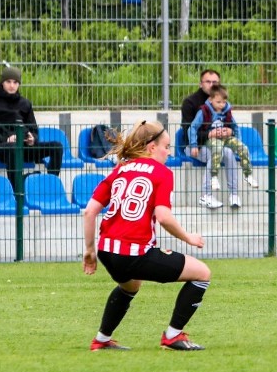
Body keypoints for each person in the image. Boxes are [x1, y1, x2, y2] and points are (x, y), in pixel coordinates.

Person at [83, 120, 210, 352]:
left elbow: (90, 211)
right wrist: (188, 238)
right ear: (152, 147)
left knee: (130, 286)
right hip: (133, 252)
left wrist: (90, 251)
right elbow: (163, 217)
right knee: (202, 273)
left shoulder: (120, 169)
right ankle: (173, 336)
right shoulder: (161, 172)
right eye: (167, 147)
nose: (169, 153)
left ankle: (101, 340)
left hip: (106, 251)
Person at [0, 67, 63, 189]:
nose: (12, 85)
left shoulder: (25, 104)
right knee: (13, 148)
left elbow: (34, 130)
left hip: (23, 146)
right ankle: (17, 188)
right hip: (1, 148)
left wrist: (32, 138)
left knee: (56, 147)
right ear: (2, 82)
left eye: (15, 82)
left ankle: (50, 183)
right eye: (8, 82)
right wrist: (7, 139)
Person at [188, 83, 258, 209]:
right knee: (218, 149)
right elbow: (192, 128)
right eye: (218, 102)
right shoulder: (203, 111)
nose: (221, 105)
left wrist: (234, 136)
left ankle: (242, 183)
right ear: (210, 99)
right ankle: (210, 185)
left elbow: (235, 127)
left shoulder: (227, 112)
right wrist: (194, 144)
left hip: (224, 140)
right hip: (209, 141)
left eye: (224, 102)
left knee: (241, 148)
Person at [181, 69, 243, 208]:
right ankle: (206, 195)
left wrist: (229, 131)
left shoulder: (222, 102)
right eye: (207, 81)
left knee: (227, 152)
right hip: (195, 146)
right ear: (200, 84)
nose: (211, 84)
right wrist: (209, 135)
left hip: (217, 144)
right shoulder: (190, 103)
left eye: (214, 82)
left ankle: (234, 194)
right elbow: (186, 132)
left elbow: (230, 126)